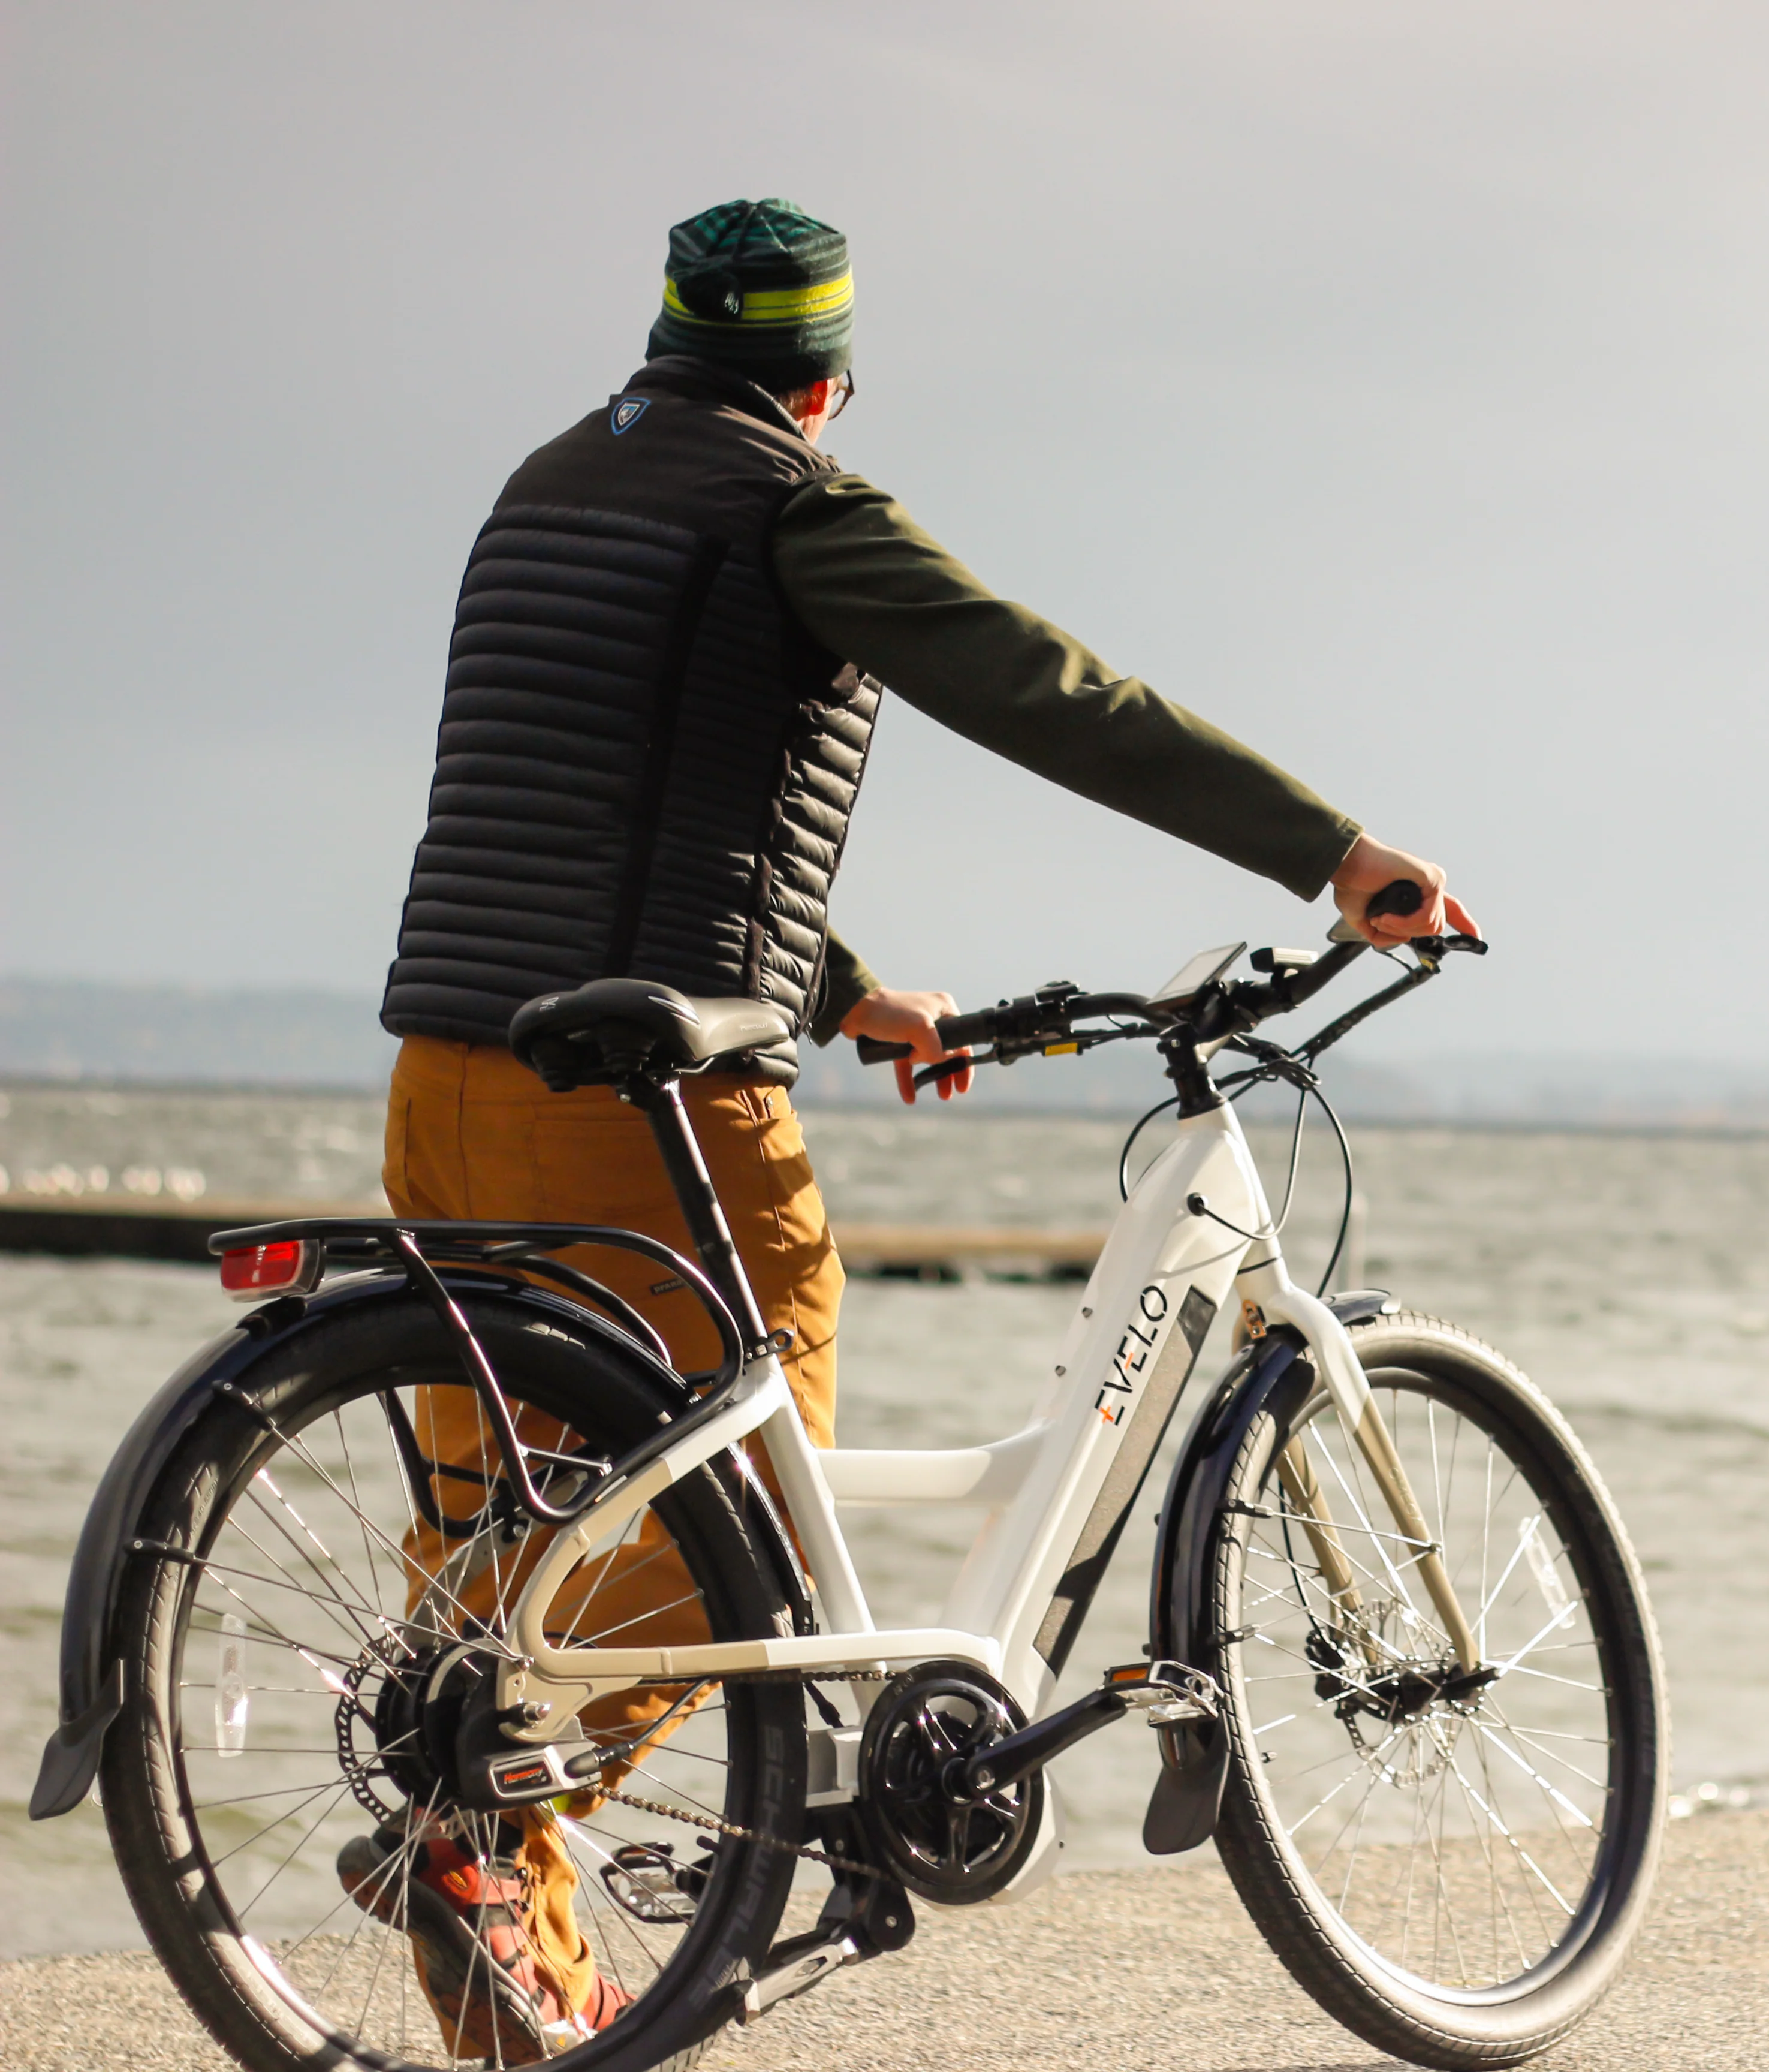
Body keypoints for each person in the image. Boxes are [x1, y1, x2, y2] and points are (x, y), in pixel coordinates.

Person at [347, 197, 1473, 2059]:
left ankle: (515, 1977)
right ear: (826, 376)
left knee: (511, 1527)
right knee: (745, 1453)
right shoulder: (793, 506)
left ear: (667, 341)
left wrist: (846, 981)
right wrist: (1331, 853)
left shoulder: (550, 487)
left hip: (453, 1061)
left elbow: (623, 774)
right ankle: (487, 1804)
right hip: (645, 1106)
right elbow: (1044, 688)